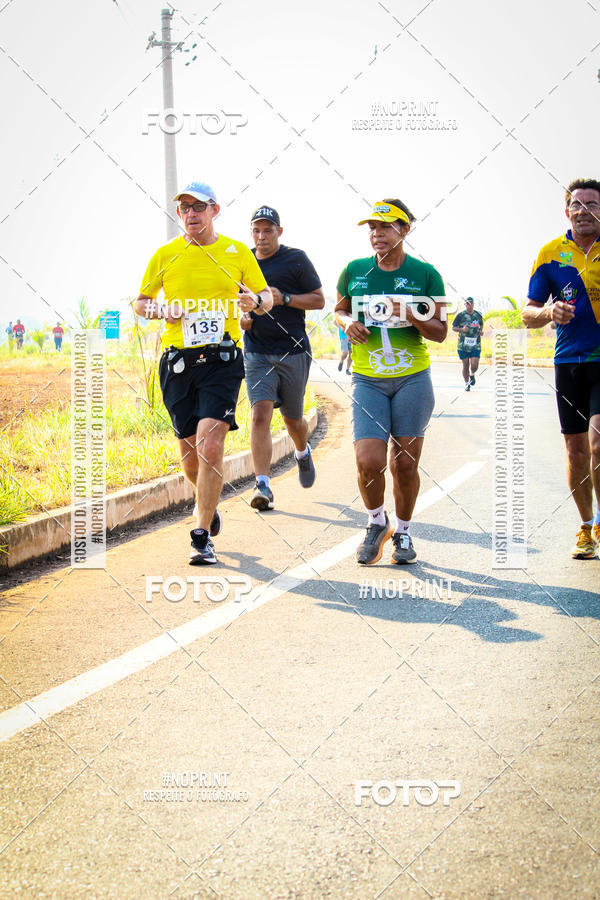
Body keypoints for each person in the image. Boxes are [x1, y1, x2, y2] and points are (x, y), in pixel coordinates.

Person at [134, 180, 273, 565]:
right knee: (191, 460)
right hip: (178, 363)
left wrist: (255, 300)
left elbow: (266, 298)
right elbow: (141, 303)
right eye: (184, 209)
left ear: (215, 210)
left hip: (222, 362)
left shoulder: (236, 251)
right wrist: (162, 311)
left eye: (198, 207)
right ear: (179, 214)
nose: (191, 214)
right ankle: (209, 506)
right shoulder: (165, 255)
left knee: (212, 446)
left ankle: (200, 535)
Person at [335, 198, 446, 565]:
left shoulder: (425, 274)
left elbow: (441, 332)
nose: (376, 234)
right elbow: (339, 309)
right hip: (368, 379)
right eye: (372, 228)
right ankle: (375, 522)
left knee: (404, 465)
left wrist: (412, 313)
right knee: (368, 460)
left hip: (412, 378)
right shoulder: (354, 270)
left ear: (404, 229)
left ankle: (403, 533)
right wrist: (346, 323)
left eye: (385, 227)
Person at [522, 177, 600, 559]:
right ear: (566, 210)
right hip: (569, 362)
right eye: (577, 205)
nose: (584, 211)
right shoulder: (550, 253)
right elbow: (526, 314)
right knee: (575, 451)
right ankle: (586, 525)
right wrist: (549, 311)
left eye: (592, 205)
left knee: (598, 441)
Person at [241, 205, 324, 511]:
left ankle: (302, 452)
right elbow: (234, 303)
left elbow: (319, 299)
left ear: (279, 231)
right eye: (256, 230)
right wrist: (243, 319)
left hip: (293, 350)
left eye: (268, 230)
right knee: (259, 414)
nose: (262, 236)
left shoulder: (296, 259)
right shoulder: (243, 261)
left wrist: (284, 298)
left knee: (292, 420)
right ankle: (262, 485)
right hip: (257, 352)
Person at [452, 297, 483, 390]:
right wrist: (462, 329)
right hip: (463, 345)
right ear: (465, 305)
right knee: (465, 365)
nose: (469, 305)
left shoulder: (478, 315)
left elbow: (481, 325)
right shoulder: (460, 315)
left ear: (473, 304)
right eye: (467, 303)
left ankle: (472, 374)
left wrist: (480, 331)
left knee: (474, 365)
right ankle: (467, 383)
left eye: (471, 303)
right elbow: (453, 327)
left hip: (475, 344)